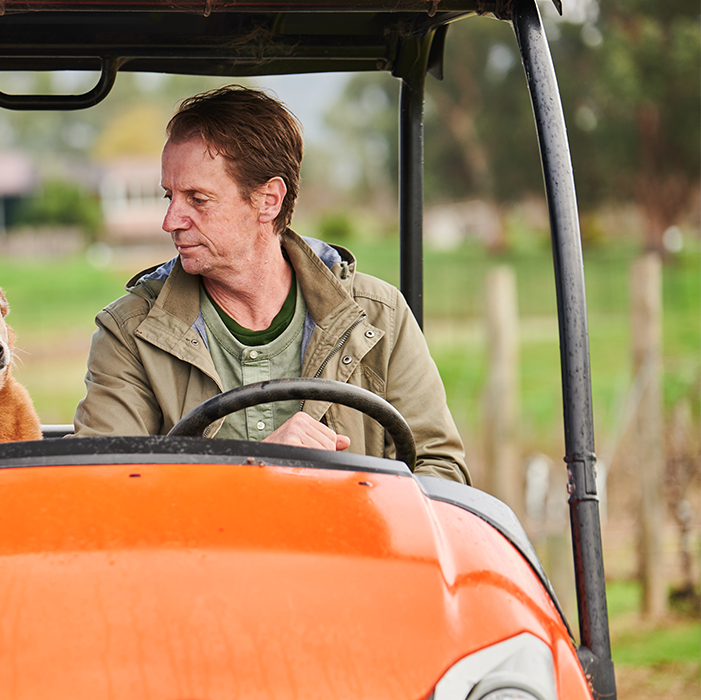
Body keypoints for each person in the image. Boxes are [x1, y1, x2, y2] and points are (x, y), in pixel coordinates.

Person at [72, 86, 470, 484]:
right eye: (169, 195)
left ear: (269, 200)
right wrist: (257, 468)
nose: (171, 220)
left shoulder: (380, 313)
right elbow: (107, 489)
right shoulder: (129, 331)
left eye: (197, 199)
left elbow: (441, 470)